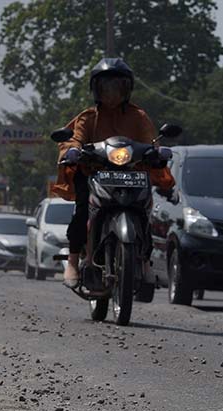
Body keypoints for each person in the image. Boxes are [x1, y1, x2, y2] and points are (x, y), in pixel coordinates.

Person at [53, 57, 177, 287]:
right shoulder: (88, 117)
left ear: (127, 89)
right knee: (81, 211)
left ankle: (145, 262)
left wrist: (157, 153)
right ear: (96, 90)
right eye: (105, 87)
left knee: (145, 211)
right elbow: (75, 139)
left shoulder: (138, 116)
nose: (111, 93)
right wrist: (73, 151)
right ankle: (72, 261)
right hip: (93, 173)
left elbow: (151, 142)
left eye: (117, 87)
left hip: (131, 174)